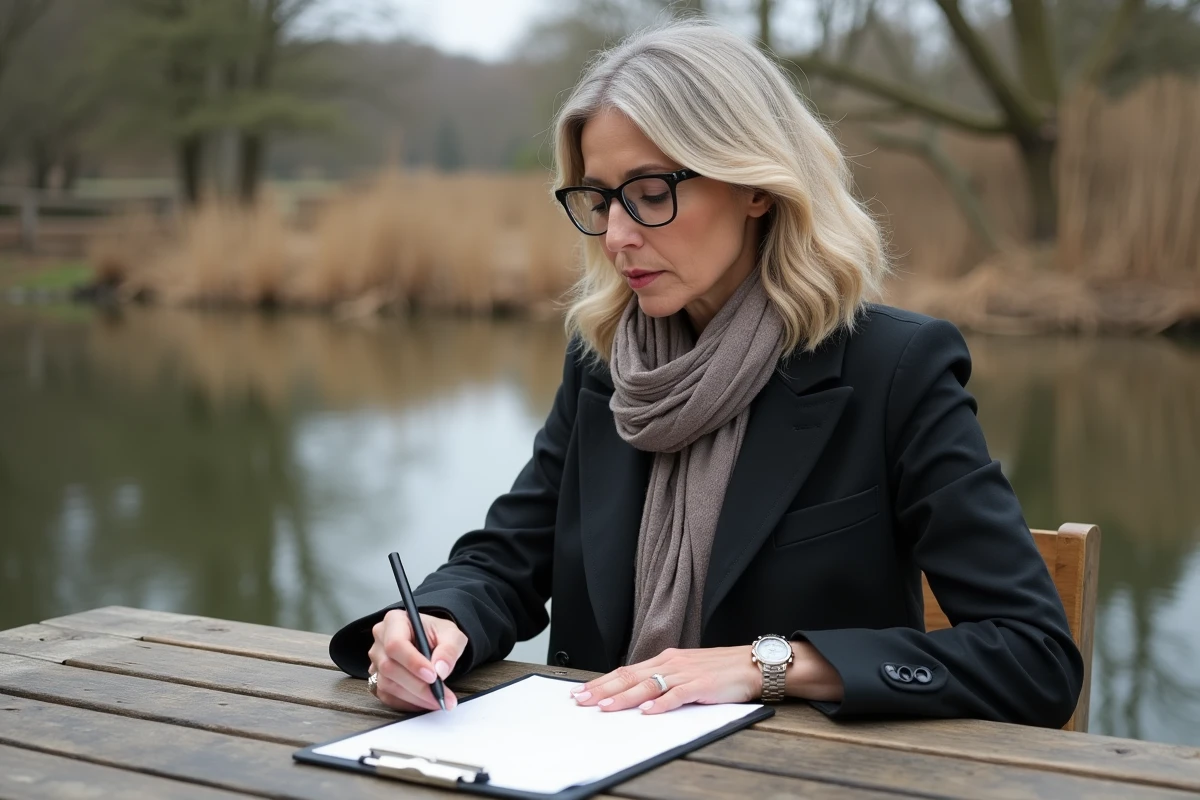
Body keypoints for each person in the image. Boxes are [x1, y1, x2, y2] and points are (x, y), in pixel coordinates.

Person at [329, 19, 1083, 728]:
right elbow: (508, 559)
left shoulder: (895, 371)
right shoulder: (604, 365)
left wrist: (771, 666)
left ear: (756, 186)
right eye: (598, 199)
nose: (618, 235)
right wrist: (434, 624)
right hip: (592, 765)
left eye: (651, 195)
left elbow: (1033, 657)